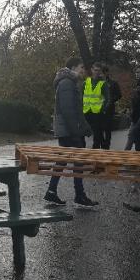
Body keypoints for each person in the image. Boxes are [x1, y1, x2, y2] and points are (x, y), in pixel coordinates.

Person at [44, 57, 99, 207]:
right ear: (73, 67)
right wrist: (76, 133)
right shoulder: (67, 83)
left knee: (64, 160)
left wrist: (85, 128)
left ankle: (52, 191)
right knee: (77, 161)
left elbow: (76, 111)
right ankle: (79, 195)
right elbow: (68, 112)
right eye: (81, 67)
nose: (83, 71)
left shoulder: (69, 82)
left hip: (69, 130)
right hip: (68, 130)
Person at [82, 62, 111, 150]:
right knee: (94, 133)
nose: (97, 72)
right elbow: (81, 96)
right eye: (95, 70)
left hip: (97, 113)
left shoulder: (103, 84)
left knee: (97, 133)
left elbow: (107, 98)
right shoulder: (86, 82)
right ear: (92, 70)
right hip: (86, 111)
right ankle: (104, 148)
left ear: (101, 71)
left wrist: (103, 109)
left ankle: (96, 150)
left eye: (98, 71)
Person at [124, 64, 140, 151]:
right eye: (136, 72)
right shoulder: (138, 83)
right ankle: (139, 156)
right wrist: (129, 109)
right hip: (136, 115)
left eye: (138, 72)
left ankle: (124, 156)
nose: (136, 74)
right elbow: (134, 100)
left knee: (134, 135)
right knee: (136, 137)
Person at [102, 66, 122, 149]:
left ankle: (106, 145)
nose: (103, 74)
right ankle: (102, 144)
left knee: (107, 128)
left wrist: (111, 100)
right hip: (98, 108)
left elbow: (119, 95)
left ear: (107, 73)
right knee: (99, 128)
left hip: (109, 108)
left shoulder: (113, 83)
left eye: (104, 72)